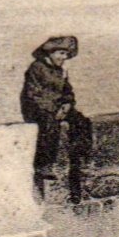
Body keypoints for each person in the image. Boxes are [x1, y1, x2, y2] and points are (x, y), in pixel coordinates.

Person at [21, 35, 93, 203]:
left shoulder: (62, 71)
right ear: (50, 53)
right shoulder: (36, 68)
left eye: (66, 54)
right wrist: (54, 110)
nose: (63, 58)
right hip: (37, 109)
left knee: (81, 121)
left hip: (58, 108)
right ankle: (44, 164)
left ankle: (82, 154)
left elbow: (68, 91)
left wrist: (67, 104)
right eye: (60, 53)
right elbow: (33, 95)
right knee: (49, 125)